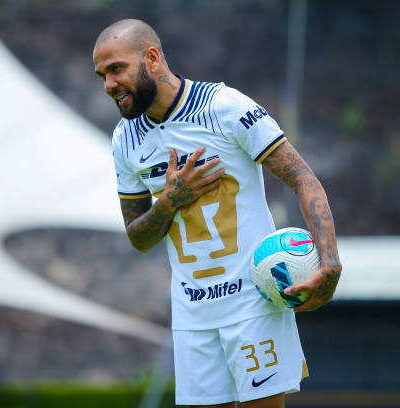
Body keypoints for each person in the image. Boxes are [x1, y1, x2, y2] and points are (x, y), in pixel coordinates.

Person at [92, 19, 342, 408]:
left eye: (116, 69)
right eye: (102, 75)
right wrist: (170, 201)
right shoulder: (125, 139)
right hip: (192, 315)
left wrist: (330, 263)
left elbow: (302, 178)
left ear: (152, 59)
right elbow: (139, 237)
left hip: (253, 304)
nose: (108, 85)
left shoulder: (224, 107)